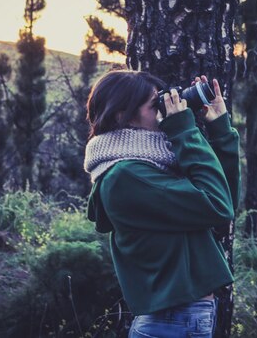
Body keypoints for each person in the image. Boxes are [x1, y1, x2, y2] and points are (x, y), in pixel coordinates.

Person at [83, 70, 240, 338]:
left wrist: (220, 130)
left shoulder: (152, 165)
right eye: (155, 104)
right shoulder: (126, 176)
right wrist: (183, 129)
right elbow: (217, 204)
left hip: (180, 318)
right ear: (123, 115)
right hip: (172, 321)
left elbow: (222, 204)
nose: (165, 108)